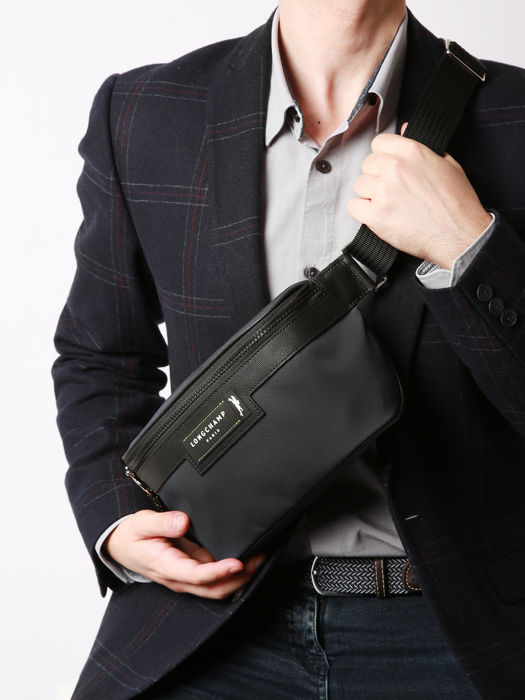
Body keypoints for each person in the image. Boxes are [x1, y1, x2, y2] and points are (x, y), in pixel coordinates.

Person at [52, 1, 525, 698]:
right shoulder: (145, 112)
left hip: (455, 634)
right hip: (208, 624)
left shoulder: (514, 119)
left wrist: (467, 245)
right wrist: (118, 519)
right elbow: (99, 355)